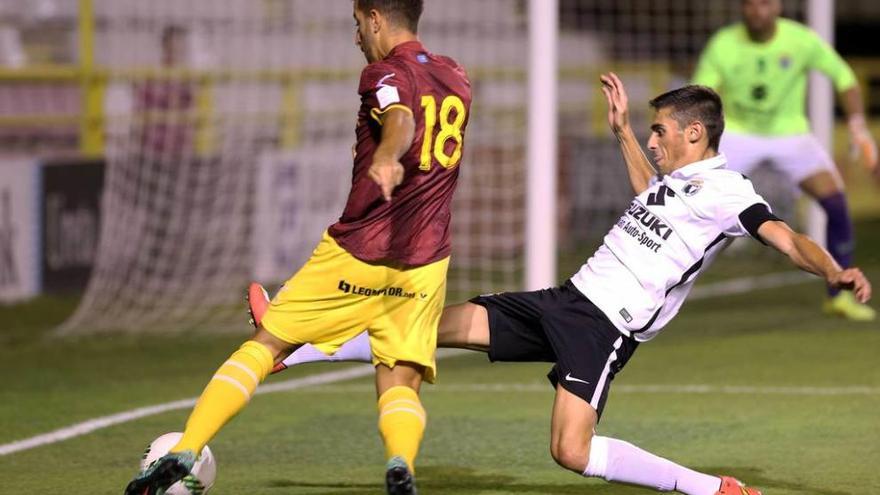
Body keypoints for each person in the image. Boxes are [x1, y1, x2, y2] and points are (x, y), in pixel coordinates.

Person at [254, 73, 872, 495]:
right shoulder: (675, 183)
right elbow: (648, 194)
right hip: (566, 299)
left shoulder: (731, 192)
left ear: (694, 133)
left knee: (570, 452)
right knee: (425, 321)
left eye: (660, 130)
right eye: (651, 131)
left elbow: (788, 238)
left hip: (604, 327)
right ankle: (293, 349)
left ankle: (710, 488)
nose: (654, 139)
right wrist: (624, 131)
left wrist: (834, 270)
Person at [125, 1, 471, 494]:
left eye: (357, 25)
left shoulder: (383, 72)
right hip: (425, 263)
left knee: (266, 344)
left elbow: (400, 118)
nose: (357, 37)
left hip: (359, 249)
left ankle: (186, 448)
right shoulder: (456, 76)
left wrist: (390, 156)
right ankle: (400, 465)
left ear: (375, 17)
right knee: (400, 380)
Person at [693, 0, 877, 321]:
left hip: (790, 134)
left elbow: (844, 78)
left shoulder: (800, 39)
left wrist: (858, 127)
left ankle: (839, 295)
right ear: (742, 8)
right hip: (737, 133)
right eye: (751, 4)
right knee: (690, 198)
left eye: (765, 3)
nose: (758, 11)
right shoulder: (723, 43)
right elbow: (701, 93)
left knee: (835, 202)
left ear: (777, 6)